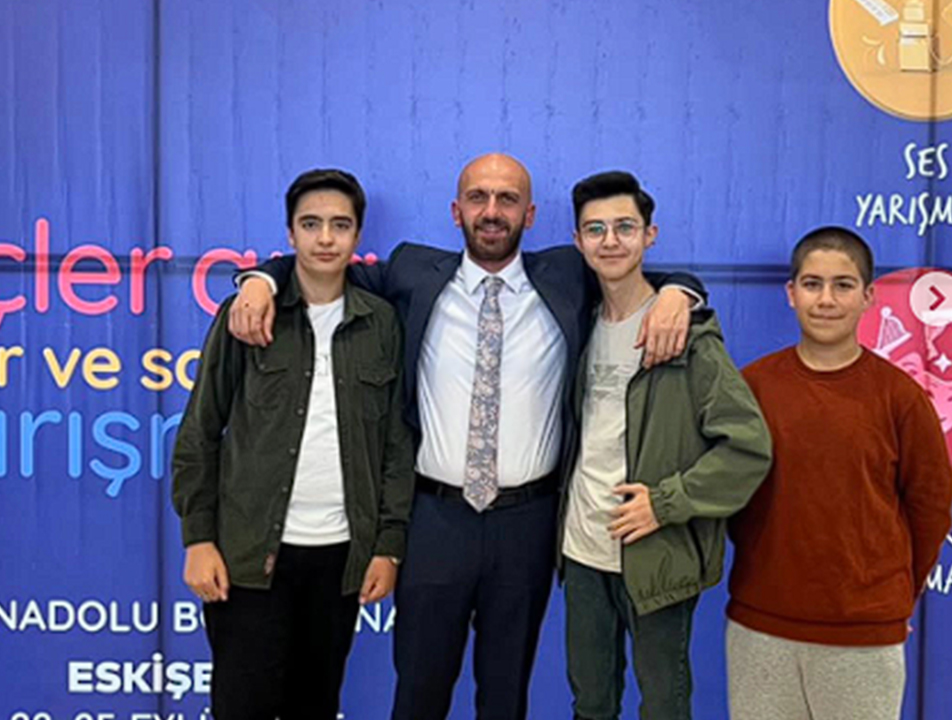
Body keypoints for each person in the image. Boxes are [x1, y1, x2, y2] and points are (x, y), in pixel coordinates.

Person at [228, 154, 707, 719]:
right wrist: (261, 278)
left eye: (508, 199)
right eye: (478, 197)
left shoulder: (567, 275)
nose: (492, 211)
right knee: (419, 693)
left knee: (505, 697)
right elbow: (321, 267)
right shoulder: (413, 271)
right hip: (435, 521)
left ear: (530, 215)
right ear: (457, 211)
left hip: (527, 524)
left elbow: (636, 271)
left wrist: (679, 294)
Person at [171, 168, 414, 720]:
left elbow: (396, 447)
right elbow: (200, 431)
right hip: (249, 557)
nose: (325, 238)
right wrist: (198, 537)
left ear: (357, 235)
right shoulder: (246, 316)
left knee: (316, 706)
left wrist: (389, 544)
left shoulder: (381, 324)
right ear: (290, 233)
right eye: (311, 224)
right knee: (242, 707)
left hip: (340, 559)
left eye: (340, 225)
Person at [559, 171, 771, 720]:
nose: (610, 240)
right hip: (582, 552)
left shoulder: (689, 338)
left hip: (658, 555)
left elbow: (748, 448)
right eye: (595, 229)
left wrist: (666, 502)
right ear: (578, 241)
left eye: (625, 227)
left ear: (649, 235)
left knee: (664, 705)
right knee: (590, 704)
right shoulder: (574, 323)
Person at [727, 226, 952, 720]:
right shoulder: (751, 387)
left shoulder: (900, 398)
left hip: (863, 638)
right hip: (760, 629)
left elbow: (931, 507)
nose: (826, 299)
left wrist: (893, 598)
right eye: (813, 284)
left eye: (843, 285)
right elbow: (725, 494)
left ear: (869, 296)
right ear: (791, 293)